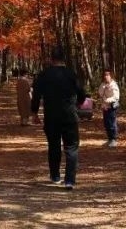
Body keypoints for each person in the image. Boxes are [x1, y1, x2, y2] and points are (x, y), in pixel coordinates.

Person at [31, 46, 86, 189]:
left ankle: (55, 176)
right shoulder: (71, 74)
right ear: (64, 59)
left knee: (54, 146)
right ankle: (70, 180)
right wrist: (78, 104)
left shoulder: (44, 75)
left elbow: (36, 95)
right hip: (70, 116)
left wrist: (34, 113)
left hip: (51, 116)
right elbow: (81, 93)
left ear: (51, 59)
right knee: (71, 147)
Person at [98, 69, 121, 147]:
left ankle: (114, 139)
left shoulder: (114, 85)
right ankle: (110, 139)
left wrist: (107, 100)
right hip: (105, 106)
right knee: (106, 123)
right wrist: (104, 87)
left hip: (112, 106)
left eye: (107, 75)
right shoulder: (102, 84)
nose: (106, 76)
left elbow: (116, 97)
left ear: (111, 76)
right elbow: (100, 93)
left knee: (112, 123)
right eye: (105, 75)